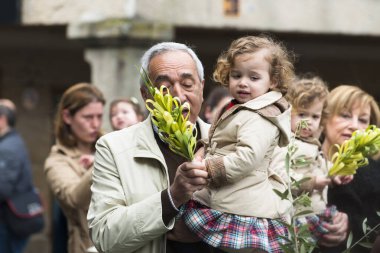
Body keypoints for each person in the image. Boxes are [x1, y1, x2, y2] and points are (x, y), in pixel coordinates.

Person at [88, 42, 211, 253]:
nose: (178, 96)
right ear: (146, 95)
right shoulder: (114, 148)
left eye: (187, 84)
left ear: (201, 87)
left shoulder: (228, 142)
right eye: (164, 87)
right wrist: (173, 197)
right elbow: (104, 235)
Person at [178, 35, 295, 253]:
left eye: (254, 77)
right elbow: (222, 140)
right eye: (236, 75)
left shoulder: (260, 116)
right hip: (232, 198)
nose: (243, 82)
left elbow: (247, 158)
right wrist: (203, 149)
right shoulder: (240, 107)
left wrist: (209, 168)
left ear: (273, 81)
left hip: (242, 207)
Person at [270, 76, 352, 244]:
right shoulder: (285, 143)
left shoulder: (311, 143)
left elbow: (318, 166)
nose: (308, 122)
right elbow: (280, 176)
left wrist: (335, 174)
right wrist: (313, 182)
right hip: (294, 216)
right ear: (287, 113)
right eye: (302, 114)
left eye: (315, 117)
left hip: (314, 212)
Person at [44, 83, 105, 253]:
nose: (95, 124)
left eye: (99, 116)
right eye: (88, 117)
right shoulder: (57, 160)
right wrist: (103, 162)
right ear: (67, 117)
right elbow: (74, 199)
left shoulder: (109, 143)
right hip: (87, 245)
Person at [320, 85, 380, 253]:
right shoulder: (299, 158)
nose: (354, 126)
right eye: (345, 115)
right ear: (323, 117)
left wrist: (351, 224)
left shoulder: (375, 174)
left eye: (362, 120)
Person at [0, 99, 39, 253]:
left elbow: (2, 188)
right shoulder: (11, 143)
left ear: (2, 119)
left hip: (7, 224)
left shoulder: (8, 147)